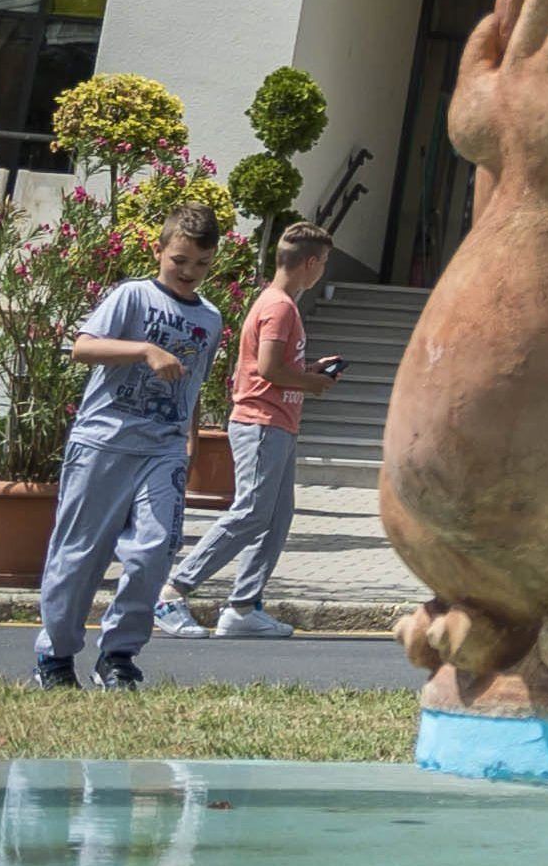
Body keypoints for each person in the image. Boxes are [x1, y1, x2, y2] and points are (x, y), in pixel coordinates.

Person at [35, 203, 229, 691]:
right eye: (179, 261)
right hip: (103, 444)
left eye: (201, 265)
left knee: (153, 551)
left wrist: (189, 441)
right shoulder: (132, 297)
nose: (188, 273)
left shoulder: (209, 318)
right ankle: (56, 657)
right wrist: (144, 349)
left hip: (162, 451)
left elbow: (194, 382)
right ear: (159, 250)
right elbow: (82, 347)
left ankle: (118, 655)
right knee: (78, 555)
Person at [162, 219, 342, 640]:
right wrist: (311, 382)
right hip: (262, 422)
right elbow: (268, 369)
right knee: (251, 512)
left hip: (278, 422)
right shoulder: (279, 306)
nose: (323, 271)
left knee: (276, 517)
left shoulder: (279, 304)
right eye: (325, 263)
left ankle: (243, 606)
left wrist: (310, 370)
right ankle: (172, 590)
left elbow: (278, 367)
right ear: (311, 263)